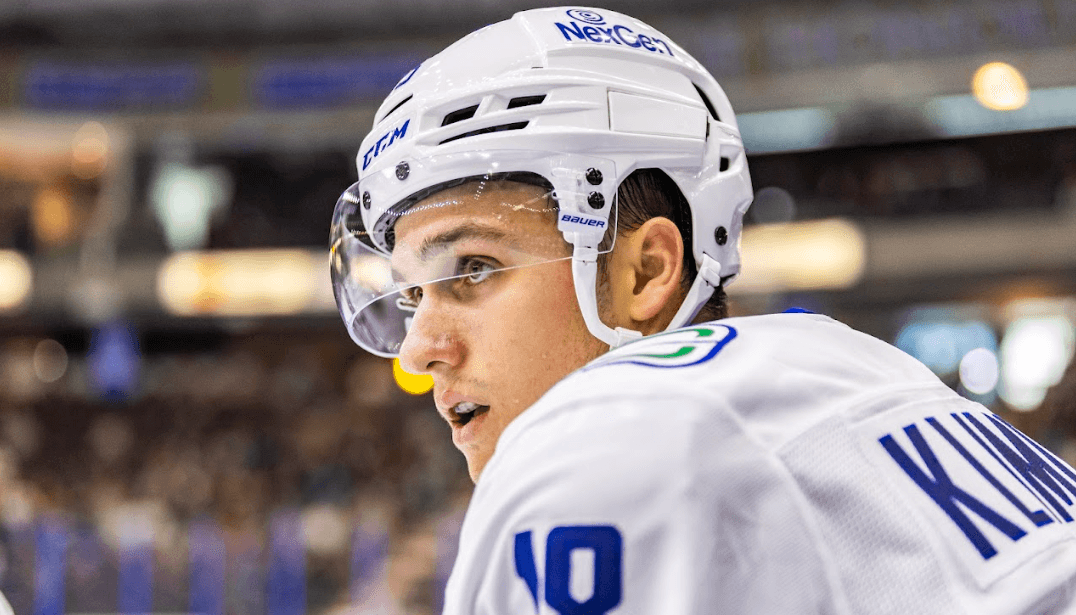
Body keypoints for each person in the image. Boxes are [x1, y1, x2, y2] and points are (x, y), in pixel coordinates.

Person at [330, 7, 1076, 613]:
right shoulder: (864, 367)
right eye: (411, 292)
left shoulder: (597, 442)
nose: (419, 347)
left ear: (645, 270)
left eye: (474, 269)